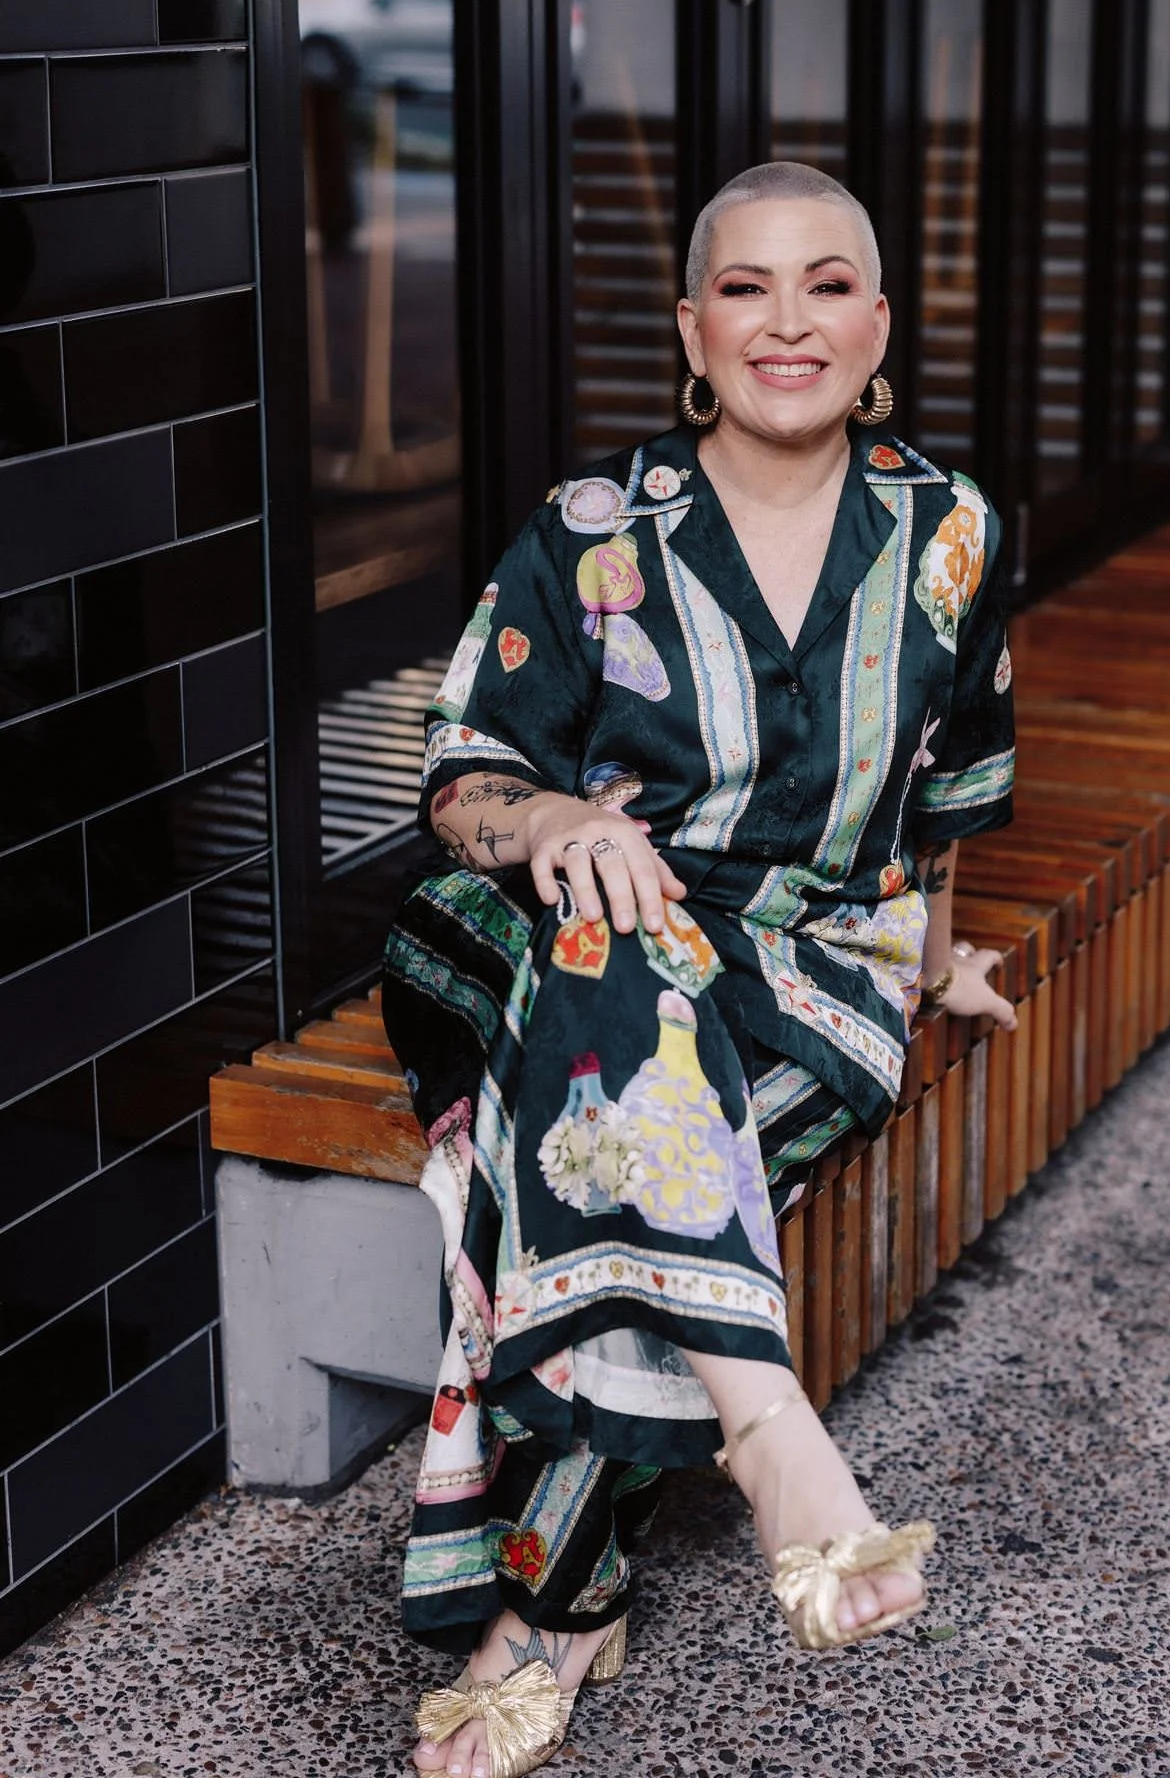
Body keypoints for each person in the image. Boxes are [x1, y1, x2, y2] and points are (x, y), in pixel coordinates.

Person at [382, 162, 1018, 1778]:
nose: (784, 321)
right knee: (613, 936)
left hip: (813, 964)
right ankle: (772, 1437)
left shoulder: (950, 534)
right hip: (555, 926)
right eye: (744, 287)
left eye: (823, 286)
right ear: (691, 325)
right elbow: (462, 774)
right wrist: (549, 826)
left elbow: (946, 802)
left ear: (877, 326)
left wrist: (937, 968)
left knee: (615, 1112)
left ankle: (555, 1602)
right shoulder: (592, 530)